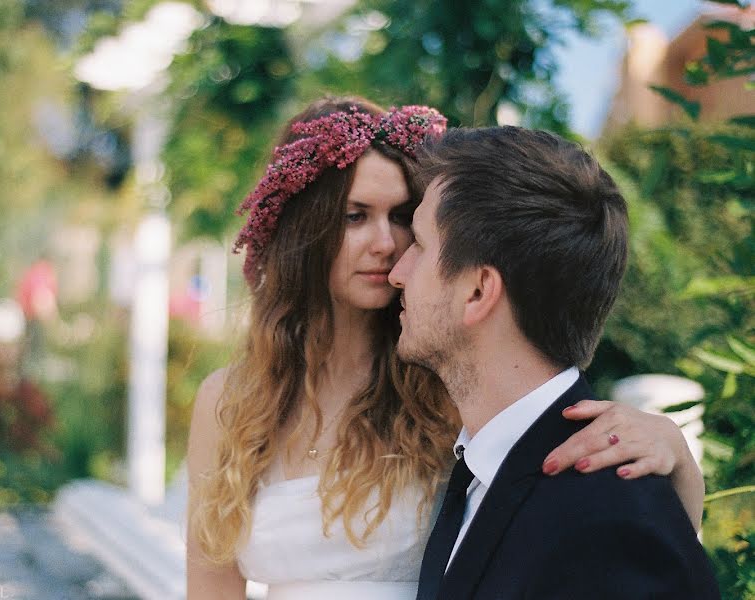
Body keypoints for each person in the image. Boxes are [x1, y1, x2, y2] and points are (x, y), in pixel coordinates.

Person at [186, 97, 706, 600]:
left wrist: (676, 457)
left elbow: (559, 506)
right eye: (355, 215)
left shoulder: (447, 381)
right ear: (305, 229)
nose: (387, 245)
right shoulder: (234, 401)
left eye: (402, 219)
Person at [391, 126, 719, 599]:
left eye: (419, 244)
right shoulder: (481, 474)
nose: (398, 273)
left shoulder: (612, 521)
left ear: (478, 291)